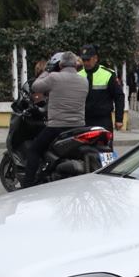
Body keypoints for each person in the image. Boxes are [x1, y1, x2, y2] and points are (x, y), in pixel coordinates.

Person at [22, 51, 88, 188]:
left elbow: (35, 86)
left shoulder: (54, 77)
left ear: (60, 63)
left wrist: (47, 70)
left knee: (34, 150)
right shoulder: (84, 80)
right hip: (79, 126)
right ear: (76, 65)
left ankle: (27, 186)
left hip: (57, 126)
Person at [79, 44, 125, 136]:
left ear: (95, 58)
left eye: (88, 60)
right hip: (83, 120)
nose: (86, 63)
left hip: (103, 120)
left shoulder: (108, 74)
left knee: (104, 149)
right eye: (83, 60)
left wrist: (119, 119)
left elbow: (119, 97)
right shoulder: (78, 75)